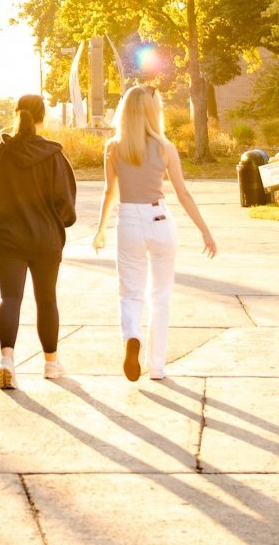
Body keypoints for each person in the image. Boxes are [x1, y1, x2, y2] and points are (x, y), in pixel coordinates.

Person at [93, 84, 217, 382]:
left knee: (130, 293)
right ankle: (157, 367)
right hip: (160, 220)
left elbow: (110, 191)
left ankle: (131, 336)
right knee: (160, 297)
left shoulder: (114, 146)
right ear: (153, 112)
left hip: (130, 222)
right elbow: (183, 194)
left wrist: (100, 229)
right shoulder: (165, 147)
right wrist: (205, 231)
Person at [0, 93, 77, 391]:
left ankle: (7, 360)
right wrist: (57, 226)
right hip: (45, 240)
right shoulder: (54, 157)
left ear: (16, 113)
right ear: (43, 116)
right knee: (47, 299)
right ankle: (50, 363)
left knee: (10, 298)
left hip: (7, 241)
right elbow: (67, 205)